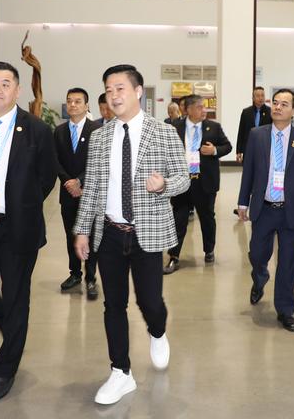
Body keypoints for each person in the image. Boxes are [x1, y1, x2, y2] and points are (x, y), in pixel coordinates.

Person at [73, 64, 189, 405]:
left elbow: (183, 178)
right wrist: (82, 230)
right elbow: (92, 188)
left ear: (138, 91)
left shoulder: (163, 132)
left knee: (150, 301)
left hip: (146, 233)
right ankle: (120, 372)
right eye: (109, 90)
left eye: (120, 88)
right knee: (114, 304)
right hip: (110, 232)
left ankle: (157, 330)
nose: (113, 95)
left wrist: (164, 184)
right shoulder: (99, 136)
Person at [0, 61, 57, 401]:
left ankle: (4, 370)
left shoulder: (36, 129)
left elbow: (47, 177)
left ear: (17, 90)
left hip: (17, 227)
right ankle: (15, 330)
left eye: (5, 83)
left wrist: (21, 204)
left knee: (16, 298)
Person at [237, 89, 294, 333]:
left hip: (290, 210)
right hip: (264, 209)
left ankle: (285, 310)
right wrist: (243, 202)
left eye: (284, 104)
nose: (277, 107)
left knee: (288, 263)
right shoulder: (257, 135)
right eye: (275, 102)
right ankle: (260, 277)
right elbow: (249, 171)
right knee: (257, 254)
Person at [164, 94, 232, 274]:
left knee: (207, 218)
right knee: (178, 220)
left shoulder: (213, 127)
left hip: (204, 181)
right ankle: (174, 256)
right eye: (200, 107)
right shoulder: (175, 127)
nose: (204, 110)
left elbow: (227, 146)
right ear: (188, 109)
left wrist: (214, 150)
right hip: (182, 181)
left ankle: (209, 250)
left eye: (204, 106)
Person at [54, 87, 101, 299]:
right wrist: (68, 182)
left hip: (90, 192)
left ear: (86, 105)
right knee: (71, 234)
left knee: (90, 235)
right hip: (68, 193)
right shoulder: (59, 131)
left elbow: (98, 162)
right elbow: (55, 160)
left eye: (77, 101)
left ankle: (91, 277)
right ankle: (75, 273)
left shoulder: (97, 130)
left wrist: (79, 181)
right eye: (69, 101)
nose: (72, 105)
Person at [236, 87, 271, 163]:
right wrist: (239, 151)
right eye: (258, 96)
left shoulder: (270, 112)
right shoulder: (246, 112)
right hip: (249, 147)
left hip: (265, 148)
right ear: (253, 98)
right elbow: (241, 132)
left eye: (262, 95)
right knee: (248, 168)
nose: (260, 98)